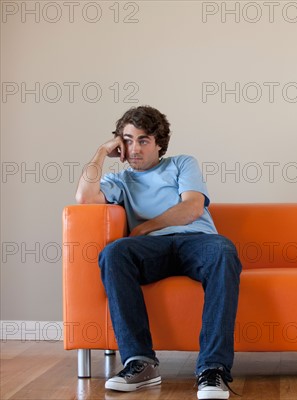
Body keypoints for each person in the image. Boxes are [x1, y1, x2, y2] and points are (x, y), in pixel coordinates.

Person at [75, 105, 242, 399]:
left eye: (143, 140)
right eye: (126, 140)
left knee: (224, 250)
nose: (134, 148)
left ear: (159, 143)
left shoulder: (181, 164)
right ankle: (140, 363)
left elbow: (191, 208)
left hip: (196, 241)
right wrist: (101, 152)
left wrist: (144, 227)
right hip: (151, 251)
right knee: (114, 253)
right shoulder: (120, 181)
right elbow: (84, 197)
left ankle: (212, 370)